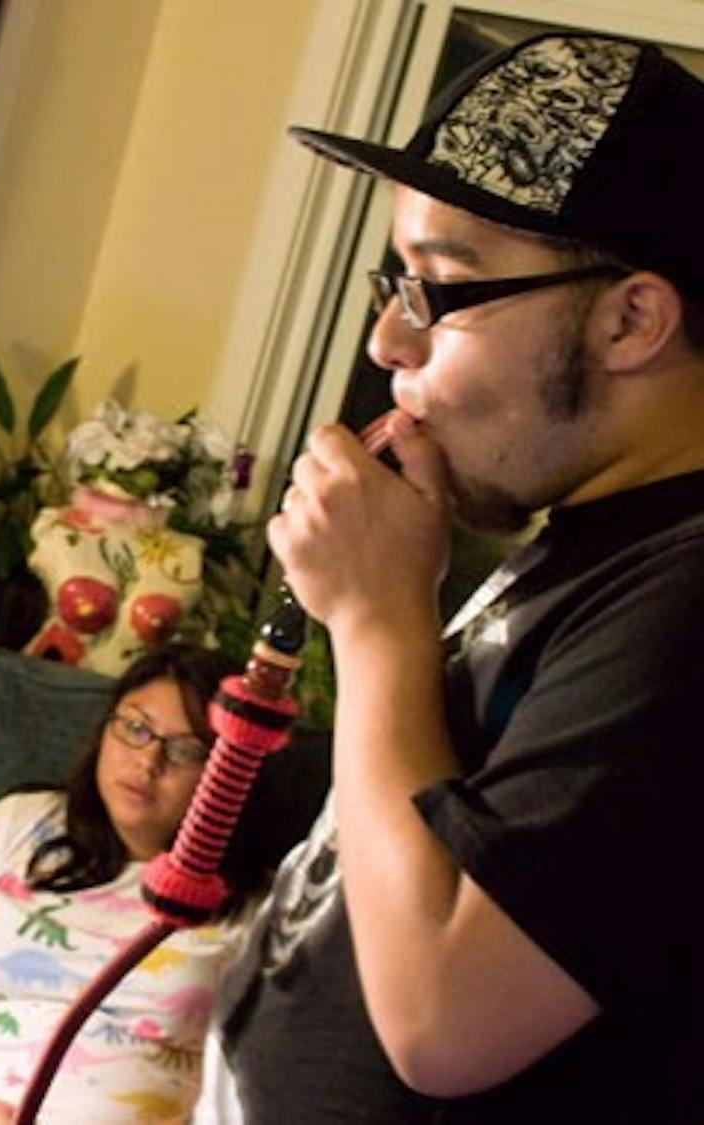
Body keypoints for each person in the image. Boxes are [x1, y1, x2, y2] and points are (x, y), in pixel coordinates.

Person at [197, 31, 704, 1123]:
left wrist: (376, 623)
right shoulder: (588, 540)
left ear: (631, 319)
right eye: (397, 280)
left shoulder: (688, 599)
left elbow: (446, 1015)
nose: (389, 339)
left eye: (440, 289)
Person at [0, 644, 273, 1124]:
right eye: (135, 728)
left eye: (185, 751)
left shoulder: (255, 908)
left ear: (227, 772)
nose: (147, 762)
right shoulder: (15, 827)